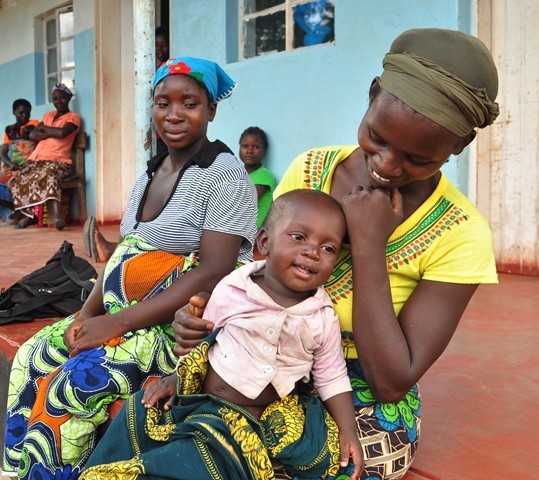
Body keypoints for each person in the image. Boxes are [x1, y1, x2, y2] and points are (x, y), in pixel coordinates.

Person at [170, 28, 500, 480]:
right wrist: (205, 330)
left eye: (418, 159)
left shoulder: (463, 234)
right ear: (370, 96)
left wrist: (368, 244)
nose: (385, 165)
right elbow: (257, 283)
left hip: (358, 382)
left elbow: (390, 381)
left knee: (364, 458)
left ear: (458, 147)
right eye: (376, 136)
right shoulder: (310, 168)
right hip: (258, 343)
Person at [2, 57, 257, 480]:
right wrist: (86, 317)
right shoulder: (150, 173)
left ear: (211, 110)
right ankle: (19, 469)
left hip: (177, 334)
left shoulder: (223, 176)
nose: (174, 114)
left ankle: (60, 473)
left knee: (73, 384)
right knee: (33, 355)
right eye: (163, 102)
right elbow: (124, 255)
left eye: (189, 103)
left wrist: (113, 323)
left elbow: (213, 271)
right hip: (126, 317)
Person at [82, 189, 363, 479]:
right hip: (201, 399)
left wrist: (348, 429)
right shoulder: (234, 289)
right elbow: (203, 345)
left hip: (249, 417)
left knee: (205, 456)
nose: (313, 252)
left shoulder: (322, 316)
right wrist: (175, 378)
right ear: (265, 242)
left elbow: (331, 376)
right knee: (138, 414)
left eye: (329, 248)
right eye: (299, 237)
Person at [8, 84, 80, 230]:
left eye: (62, 98)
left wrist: (45, 129)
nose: (58, 101)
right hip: (37, 160)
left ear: (68, 98)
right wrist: (51, 131)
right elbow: (33, 134)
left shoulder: (73, 117)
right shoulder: (48, 116)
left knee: (49, 174)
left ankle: (57, 216)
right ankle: (31, 216)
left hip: (59, 161)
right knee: (15, 180)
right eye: (55, 99)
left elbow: (62, 134)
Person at [0, 99, 40, 225]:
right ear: (14, 112)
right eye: (21, 113)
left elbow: (34, 140)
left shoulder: (34, 124)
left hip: (27, 166)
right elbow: (3, 152)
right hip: (11, 167)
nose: (24, 116)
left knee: (18, 180)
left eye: (27, 113)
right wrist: (10, 164)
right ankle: (14, 209)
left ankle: (18, 211)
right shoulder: (9, 130)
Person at [239, 126, 276, 229]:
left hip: (248, 235)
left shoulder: (264, 176)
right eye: (245, 146)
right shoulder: (237, 173)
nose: (249, 151)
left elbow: (244, 202)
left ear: (265, 149)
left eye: (255, 147)